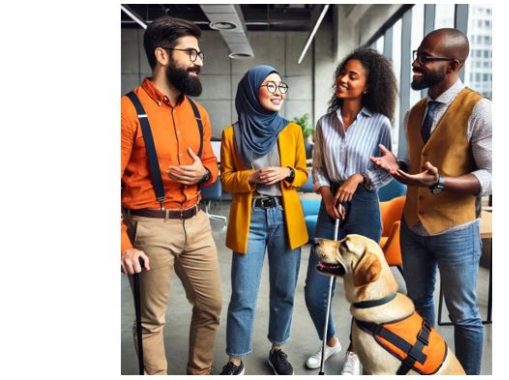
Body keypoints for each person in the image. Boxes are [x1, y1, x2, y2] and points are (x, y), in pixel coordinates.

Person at [371, 28, 492, 375]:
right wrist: (399, 167)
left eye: (425, 58)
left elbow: (491, 176)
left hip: (455, 229)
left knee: (463, 314)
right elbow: (417, 165)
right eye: (417, 55)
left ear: (452, 64)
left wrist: (441, 181)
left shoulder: (479, 110)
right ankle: (427, 366)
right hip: (413, 227)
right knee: (418, 303)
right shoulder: (416, 111)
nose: (416, 63)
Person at [120, 16, 222, 375]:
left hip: (196, 222)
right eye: (191, 52)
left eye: (200, 54)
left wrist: (204, 173)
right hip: (150, 229)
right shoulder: (126, 111)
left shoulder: (199, 113)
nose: (199, 61)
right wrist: (123, 244)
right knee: (152, 321)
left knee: (210, 306)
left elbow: (213, 165)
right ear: (162, 55)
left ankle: (200, 372)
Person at [304, 48, 397, 375]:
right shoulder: (323, 123)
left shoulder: (380, 123)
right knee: (315, 291)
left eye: (352, 76)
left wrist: (358, 178)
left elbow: (388, 168)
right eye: (342, 73)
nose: (342, 79)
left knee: (362, 289)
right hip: (330, 208)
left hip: (364, 206)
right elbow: (317, 169)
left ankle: (356, 352)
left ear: (368, 86)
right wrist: (327, 194)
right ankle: (330, 343)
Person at [218, 65, 309, 376]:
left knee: (284, 290)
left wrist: (288, 172)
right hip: (251, 217)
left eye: (281, 86)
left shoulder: (292, 130)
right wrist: (252, 176)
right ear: (251, 90)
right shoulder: (232, 133)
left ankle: (278, 348)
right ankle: (235, 359)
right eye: (269, 86)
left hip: (285, 217)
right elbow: (226, 179)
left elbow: (303, 173)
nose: (278, 91)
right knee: (243, 293)